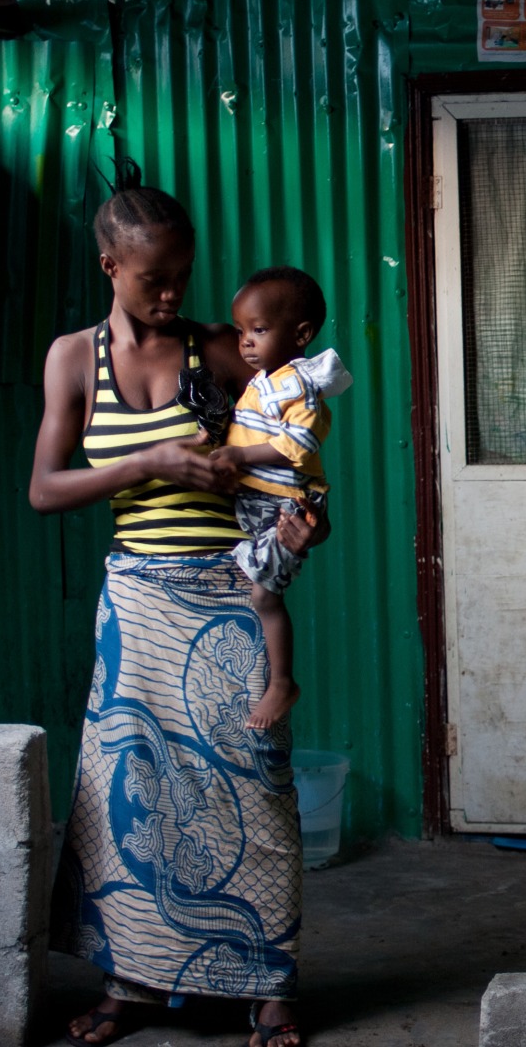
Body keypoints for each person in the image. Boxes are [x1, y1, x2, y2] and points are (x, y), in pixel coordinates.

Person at [29, 160, 311, 1047]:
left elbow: (295, 460)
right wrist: (147, 464)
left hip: (225, 593)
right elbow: (45, 487)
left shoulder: (222, 353)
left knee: (253, 790)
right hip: (136, 604)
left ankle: (270, 986)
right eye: (155, 278)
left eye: (182, 275)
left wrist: (301, 522)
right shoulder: (73, 359)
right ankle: (136, 985)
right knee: (129, 792)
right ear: (111, 267)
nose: (173, 292)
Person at [218, 265, 351, 730]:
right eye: (241, 332)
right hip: (261, 504)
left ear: (301, 334)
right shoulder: (265, 381)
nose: (246, 343)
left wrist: (236, 455)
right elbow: (245, 428)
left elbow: (295, 448)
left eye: (258, 330)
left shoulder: (302, 391)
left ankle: (282, 683)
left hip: (289, 508)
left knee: (265, 596)